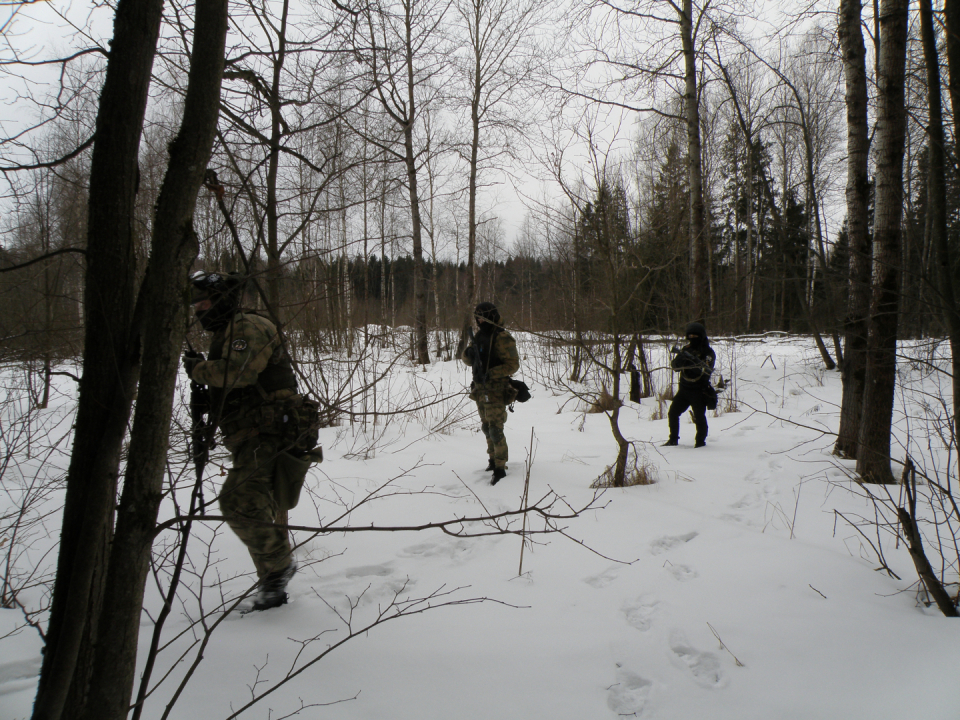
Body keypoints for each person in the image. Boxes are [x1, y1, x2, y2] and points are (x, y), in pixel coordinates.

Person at [183, 271, 320, 611]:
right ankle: (272, 589)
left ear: (221, 300)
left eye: (203, 303)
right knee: (259, 507)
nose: (199, 311)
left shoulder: (247, 327)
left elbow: (238, 373)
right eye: (195, 305)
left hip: (271, 434)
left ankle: (278, 567)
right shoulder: (229, 331)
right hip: (254, 435)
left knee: (238, 502)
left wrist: (199, 370)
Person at [462, 301, 520, 485]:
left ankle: (500, 467)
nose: (478, 320)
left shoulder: (502, 337)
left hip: (495, 390)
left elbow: (512, 365)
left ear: (489, 316)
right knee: (486, 427)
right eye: (477, 317)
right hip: (480, 389)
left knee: (495, 429)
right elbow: (469, 360)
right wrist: (468, 354)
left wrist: (491, 373)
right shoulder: (480, 335)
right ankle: (492, 459)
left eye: (481, 317)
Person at [663, 321, 716, 448]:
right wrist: (682, 360)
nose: (692, 339)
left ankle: (700, 443)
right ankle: (673, 439)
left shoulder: (707, 353)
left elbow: (705, 372)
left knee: (699, 417)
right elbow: (675, 367)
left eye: (695, 336)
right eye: (690, 336)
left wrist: (692, 364)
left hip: (699, 390)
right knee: (673, 413)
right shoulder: (686, 350)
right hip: (684, 389)